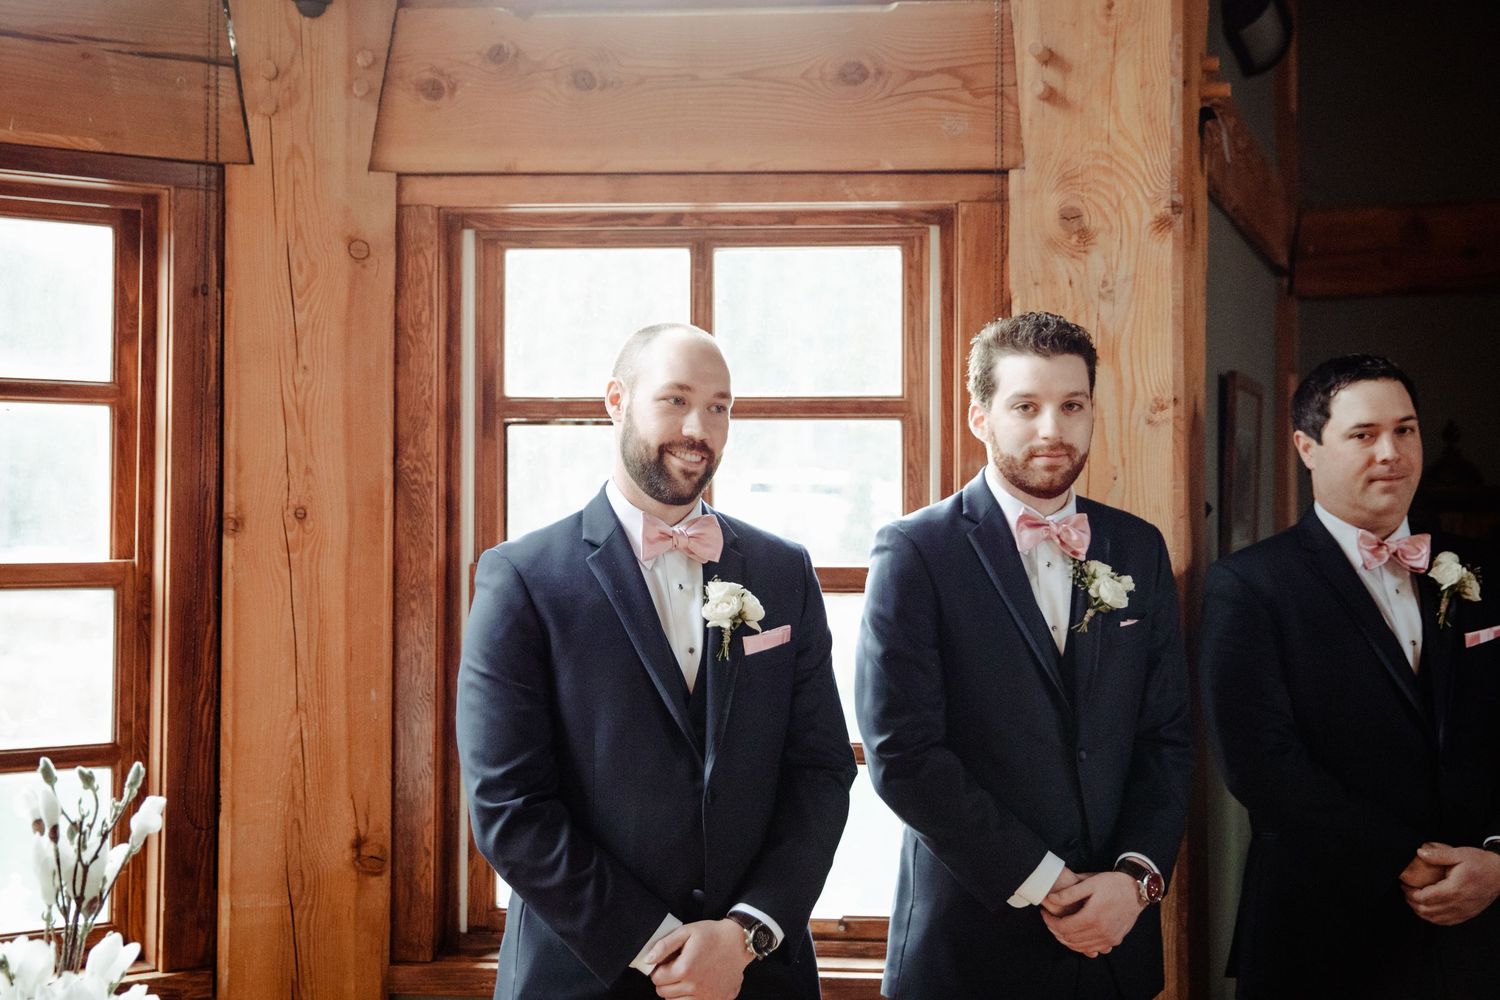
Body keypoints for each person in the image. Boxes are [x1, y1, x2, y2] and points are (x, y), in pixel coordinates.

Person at [456, 323, 855, 1000]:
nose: (699, 428)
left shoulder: (783, 571)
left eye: (719, 406)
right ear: (617, 400)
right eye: (675, 400)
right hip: (585, 975)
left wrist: (745, 934)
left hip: (756, 976)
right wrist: (658, 945)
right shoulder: (521, 578)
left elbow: (820, 770)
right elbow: (509, 805)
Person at [855, 312, 1192, 999]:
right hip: (968, 952)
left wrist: (1135, 879)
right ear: (979, 418)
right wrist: (1045, 881)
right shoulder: (915, 552)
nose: (1052, 430)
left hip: (1114, 947)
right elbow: (903, 753)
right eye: (1025, 406)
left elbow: (1167, 736)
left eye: (1072, 405)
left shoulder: (1138, 547)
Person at [1201, 353, 1500, 999]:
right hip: (1320, 936)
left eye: (1405, 430)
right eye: (1364, 434)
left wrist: (1497, 858)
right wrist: (1406, 860)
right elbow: (1260, 764)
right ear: (1307, 448)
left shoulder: (1477, 569)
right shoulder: (1249, 585)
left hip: (1476, 931)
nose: (1391, 453)